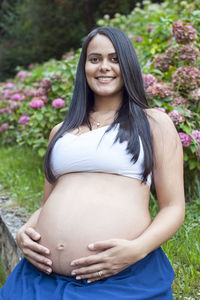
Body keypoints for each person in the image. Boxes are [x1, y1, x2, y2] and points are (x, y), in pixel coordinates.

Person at [0, 26, 185, 300]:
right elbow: (46, 205)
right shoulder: (60, 131)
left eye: (114, 58)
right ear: (84, 66)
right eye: (95, 59)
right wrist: (27, 229)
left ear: (128, 65)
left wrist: (137, 249)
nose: (104, 67)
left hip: (120, 277)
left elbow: (173, 207)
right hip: (40, 276)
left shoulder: (153, 123)